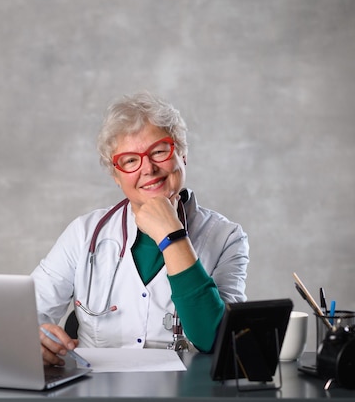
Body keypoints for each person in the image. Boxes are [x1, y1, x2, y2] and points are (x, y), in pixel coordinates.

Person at [31, 91, 248, 366]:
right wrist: (34, 336)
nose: (148, 168)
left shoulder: (227, 237)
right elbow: (25, 313)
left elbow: (216, 340)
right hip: (95, 398)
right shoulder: (84, 233)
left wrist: (172, 235)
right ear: (116, 175)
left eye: (159, 151)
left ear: (182, 154)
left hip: (186, 400)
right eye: (130, 160)